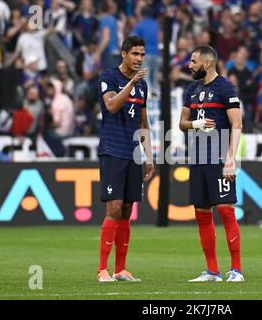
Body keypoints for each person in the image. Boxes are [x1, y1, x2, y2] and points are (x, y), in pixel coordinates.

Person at [179, 46, 244, 282]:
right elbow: (182, 123)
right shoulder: (192, 90)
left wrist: (230, 159)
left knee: (226, 211)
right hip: (197, 159)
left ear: (206, 63)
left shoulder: (225, 88)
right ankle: (212, 271)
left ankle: (236, 270)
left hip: (218, 159)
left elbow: (236, 125)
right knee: (202, 214)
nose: (190, 65)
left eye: (193, 61)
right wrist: (197, 125)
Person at [96, 35, 154, 282]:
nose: (139, 59)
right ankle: (102, 270)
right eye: (135, 54)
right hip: (112, 150)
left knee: (128, 209)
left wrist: (149, 156)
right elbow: (111, 106)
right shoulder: (108, 77)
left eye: (142, 55)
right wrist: (130, 84)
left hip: (133, 154)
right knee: (114, 208)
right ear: (124, 54)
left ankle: (120, 269)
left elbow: (144, 122)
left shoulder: (143, 85)